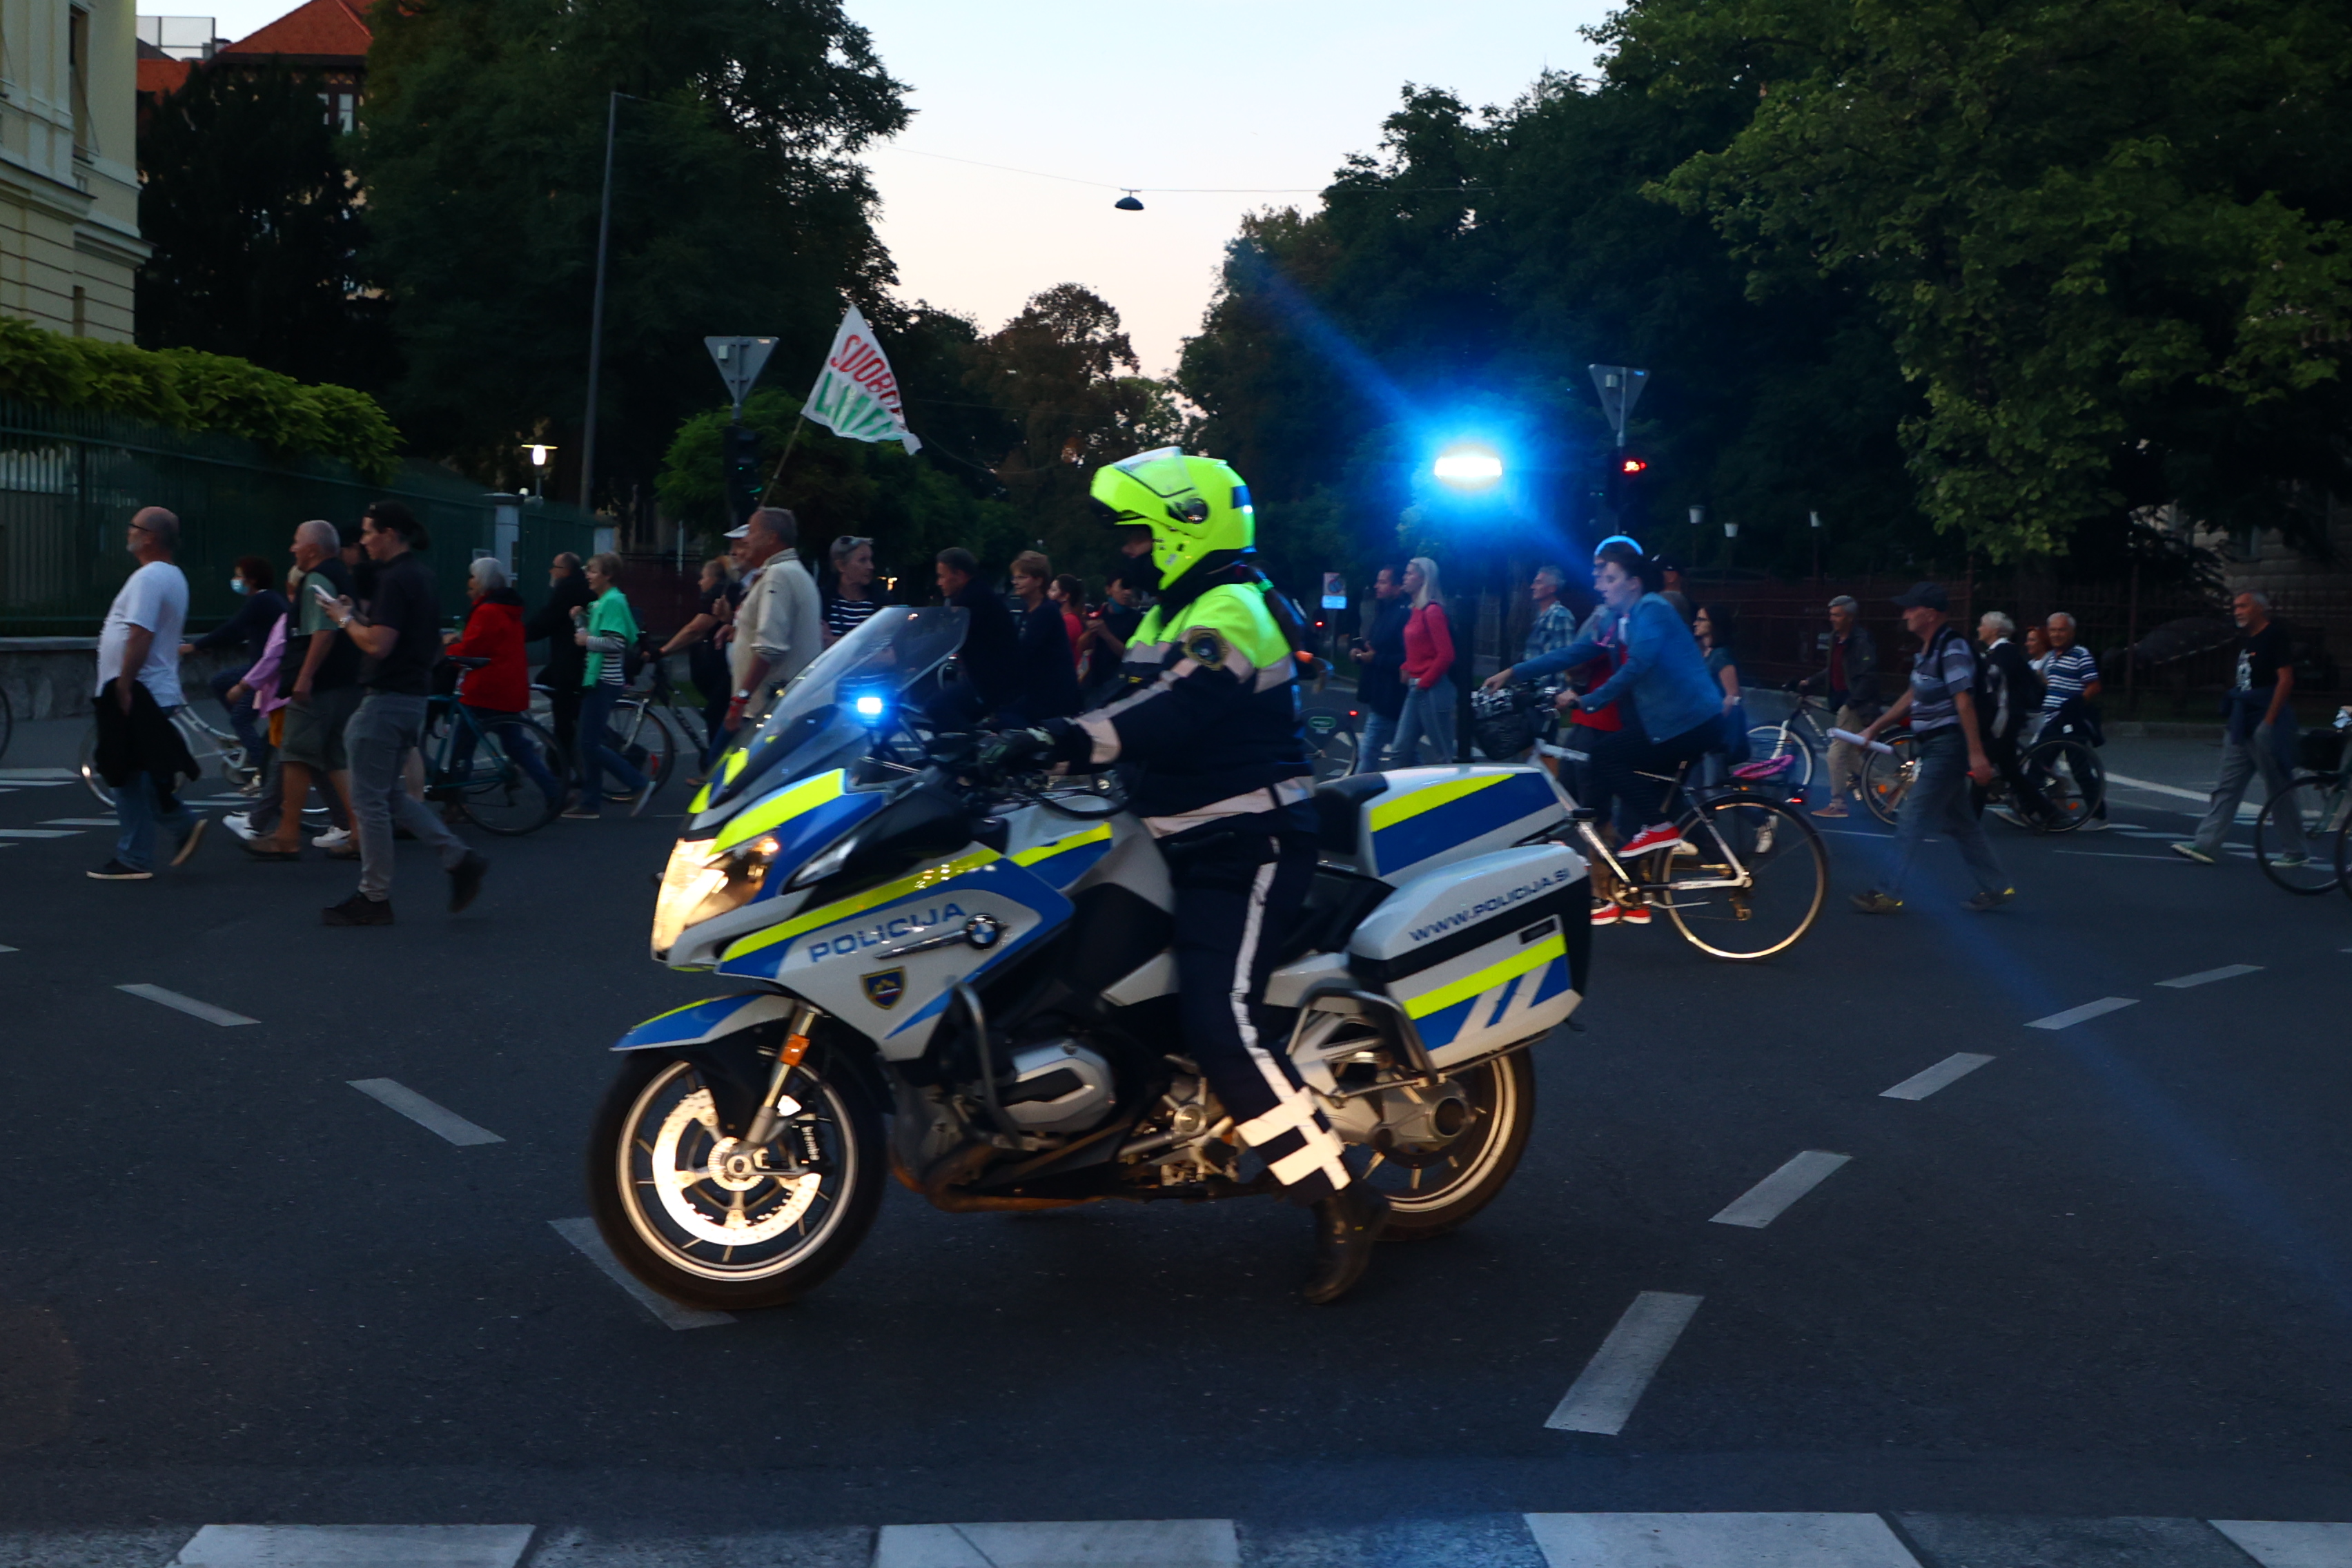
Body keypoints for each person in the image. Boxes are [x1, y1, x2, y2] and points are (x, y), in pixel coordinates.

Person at [989, 447, 1385, 1304]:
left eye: (1136, 534)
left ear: (1180, 527)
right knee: (1066, 968)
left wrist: (1057, 739)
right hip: (1167, 836)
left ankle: (1343, 1197)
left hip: (1246, 843)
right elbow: (1109, 701)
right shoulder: (1169, 610)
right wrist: (988, 729)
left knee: (1220, 1020)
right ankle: (1064, 1146)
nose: (1126, 550)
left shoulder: (1234, 608)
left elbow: (1171, 708)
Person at [1487, 542, 1721, 922]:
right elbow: (1574, 654)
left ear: (1633, 582)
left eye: (1609, 577)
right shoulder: (1617, 619)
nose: (1601, 584)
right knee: (1629, 800)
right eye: (1600, 576)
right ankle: (1628, 894)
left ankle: (1662, 834)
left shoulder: (1653, 610)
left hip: (1691, 723)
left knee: (1607, 758)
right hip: (1666, 724)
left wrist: (1586, 700)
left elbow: (1638, 667)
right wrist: (1514, 672)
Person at [313, 500, 488, 924]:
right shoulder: (421, 576)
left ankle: (374, 897)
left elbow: (378, 644)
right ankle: (457, 856)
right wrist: (356, 614)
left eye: (370, 532)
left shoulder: (395, 579)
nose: (364, 540)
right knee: (387, 793)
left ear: (390, 533)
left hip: (385, 699)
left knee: (369, 800)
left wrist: (343, 619)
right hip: (412, 697)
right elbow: (414, 639)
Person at [1850, 582, 2011, 914]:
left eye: (1911, 608)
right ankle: (1996, 886)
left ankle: (1887, 891)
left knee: (1911, 815)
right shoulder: (1929, 650)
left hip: (1947, 746)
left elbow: (1964, 702)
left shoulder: (1951, 649)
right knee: (1962, 822)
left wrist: (1976, 753)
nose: (1905, 613)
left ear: (1931, 614)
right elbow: (1912, 696)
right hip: (1935, 745)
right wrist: (1874, 728)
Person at [88, 507, 205, 880]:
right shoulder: (169, 575)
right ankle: (172, 830)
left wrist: (123, 686)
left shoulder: (150, 577)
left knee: (120, 767)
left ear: (151, 536)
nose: (128, 533)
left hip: (141, 689)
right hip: (150, 687)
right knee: (138, 769)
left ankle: (137, 854)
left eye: (134, 528)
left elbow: (141, 633)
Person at [249, 519, 360, 860]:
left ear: (312, 548)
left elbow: (323, 631)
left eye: (297, 542)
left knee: (295, 752)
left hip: (321, 684)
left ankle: (287, 836)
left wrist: (305, 676)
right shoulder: (342, 575)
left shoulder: (317, 579)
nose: (292, 549)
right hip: (346, 680)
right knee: (333, 758)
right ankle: (360, 833)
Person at [2173, 591, 2302, 865]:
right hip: (2242, 720)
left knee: (2279, 787)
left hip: (2264, 718)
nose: (2237, 611)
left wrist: (2269, 722)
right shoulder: (2247, 640)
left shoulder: (2274, 636)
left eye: (2243, 606)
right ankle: (2206, 844)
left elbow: (2286, 680)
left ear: (2260, 609)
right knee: (2226, 786)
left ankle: (2296, 850)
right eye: (2235, 606)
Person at [442, 556, 565, 810]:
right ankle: (554, 790)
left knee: (462, 748)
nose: (470, 582)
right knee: (515, 744)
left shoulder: (487, 611)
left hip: (486, 688)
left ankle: (455, 804)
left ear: (483, 581)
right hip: (509, 686)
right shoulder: (509, 609)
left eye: (473, 577)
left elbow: (473, 649)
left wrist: (448, 650)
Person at [181, 554, 286, 784]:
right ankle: (248, 741)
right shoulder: (270, 600)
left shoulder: (261, 601)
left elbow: (233, 628)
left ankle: (264, 773)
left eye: (240, 576)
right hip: (259, 668)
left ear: (252, 579)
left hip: (263, 672)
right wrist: (208, 646)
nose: (236, 580)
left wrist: (195, 646)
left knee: (240, 719)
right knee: (220, 682)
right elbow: (238, 633)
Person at [565, 551, 656, 820]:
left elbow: (615, 643)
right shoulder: (604, 602)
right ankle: (590, 803)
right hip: (598, 679)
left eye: (593, 571)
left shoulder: (613, 602)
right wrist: (580, 618)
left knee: (589, 744)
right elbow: (598, 631)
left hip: (604, 680)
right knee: (588, 741)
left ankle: (637, 783)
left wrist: (586, 642)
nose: (588, 575)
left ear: (608, 575)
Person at [725, 507, 822, 736]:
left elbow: (770, 647)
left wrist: (740, 700)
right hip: (775, 707)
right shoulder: (789, 572)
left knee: (726, 768)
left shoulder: (779, 575)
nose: (746, 539)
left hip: (768, 709)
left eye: (753, 531)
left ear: (772, 538)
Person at [1796, 594, 1881, 817]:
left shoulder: (1861, 640)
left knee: (1835, 754)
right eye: (1831, 614)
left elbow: (1868, 675)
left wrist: (1853, 703)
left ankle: (1838, 804)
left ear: (1851, 618)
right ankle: (1890, 787)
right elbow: (1835, 671)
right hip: (1845, 700)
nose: (1832, 619)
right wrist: (1809, 682)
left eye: (1837, 615)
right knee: (1850, 756)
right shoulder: (1837, 638)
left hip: (1855, 703)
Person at [658, 557, 736, 770]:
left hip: (721, 666)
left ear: (714, 578)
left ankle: (715, 769)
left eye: (703, 577)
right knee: (716, 716)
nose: (699, 582)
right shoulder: (723, 592)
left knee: (716, 715)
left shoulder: (716, 594)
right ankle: (714, 765)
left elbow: (695, 629)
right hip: (718, 665)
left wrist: (663, 651)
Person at [2034, 611, 2108, 830]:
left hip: (2070, 720)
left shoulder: (2080, 655)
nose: (2057, 634)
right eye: (2053, 630)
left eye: (2062, 630)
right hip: (2053, 719)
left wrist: (2076, 703)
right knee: (2040, 764)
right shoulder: (2053, 656)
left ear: (2072, 632)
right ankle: (2033, 808)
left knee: (2080, 769)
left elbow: (2094, 685)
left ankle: (2099, 816)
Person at [525, 551, 593, 783]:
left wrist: (519, 635)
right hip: (571, 659)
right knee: (547, 684)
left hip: (570, 662)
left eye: (555, 567)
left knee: (564, 715)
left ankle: (560, 767)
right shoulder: (578, 587)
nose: (551, 571)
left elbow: (548, 619)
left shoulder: (568, 589)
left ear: (567, 571)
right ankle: (563, 760)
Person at [932, 546, 1019, 725]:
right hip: (989, 681)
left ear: (960, 575)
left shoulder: (971, 601)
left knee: (937, 706)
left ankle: (969, 749)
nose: (938, 583)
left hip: (990, 685)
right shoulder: (977, 594)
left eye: (942, 576)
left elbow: (944, 638)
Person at [1972, 610, 2047, 821]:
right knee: (2011, 772)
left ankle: (1971, 819)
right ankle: (2049, 813)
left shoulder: (2004, 653)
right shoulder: (1998, 653)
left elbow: (1997, 690)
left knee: (1983, 766)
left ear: (1995, 630)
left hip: (2005, 719)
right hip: (2006, 717)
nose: (1979, 629)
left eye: (1982, 625)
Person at [1389, 556, 1456, 767]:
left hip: (1432, 689)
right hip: (1417, 688)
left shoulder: (1433, 611)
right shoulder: (1415, 611)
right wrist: (1406, 666)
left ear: (1423, 578)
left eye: (1410, 573)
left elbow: (1446, 654)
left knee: (1444, 755)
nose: (1404, 577)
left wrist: (1424, 682)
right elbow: (1419, 648)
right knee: (1400, 751)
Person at [1002, 549, 1081, 726]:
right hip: (1037, 692)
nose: (1015, 582)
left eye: (1022, 577)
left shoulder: (1046, 612)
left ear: (1039, 580)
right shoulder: (1028, 610)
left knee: (1002, 721)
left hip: (1051, 698)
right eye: (1015, 577)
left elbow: (1024, 651)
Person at [1348, 564, 1409, 774]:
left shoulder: (1403, 614)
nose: (1376, 586)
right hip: (1381, 692)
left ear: (1398, 586)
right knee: (1403, 753)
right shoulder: (1385, 610)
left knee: (1369, 751)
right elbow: (1377, 646)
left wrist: (1375, 659)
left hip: (1390, 695)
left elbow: (1407, 656)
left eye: (1383, 582)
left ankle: (1358, 796)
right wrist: (1361, 654)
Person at [1692, 603, 1747, 782]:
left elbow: (1733, 695)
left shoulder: (1721, 655)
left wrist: (1713, 723)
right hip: (1701, 728)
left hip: (1716, 734)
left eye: (1701, 619)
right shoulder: (1707, 653)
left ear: (1714, 624)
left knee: (1712, 787)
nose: (1695, 623)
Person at [823, 535, 887, 646]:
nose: (871, 566)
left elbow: (888, 653)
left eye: (870, 560)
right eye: (863, 560)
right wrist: (866, 643)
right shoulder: (824, 602)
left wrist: (835, 641)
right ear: (841, 566)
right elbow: (819, 645)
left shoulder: (881, 604)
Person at [1049, 573, 1088, 679]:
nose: (1049, 594)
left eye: (1053, 590)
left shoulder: (1069, 620)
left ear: (1065, 596)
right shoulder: (1065, 619)